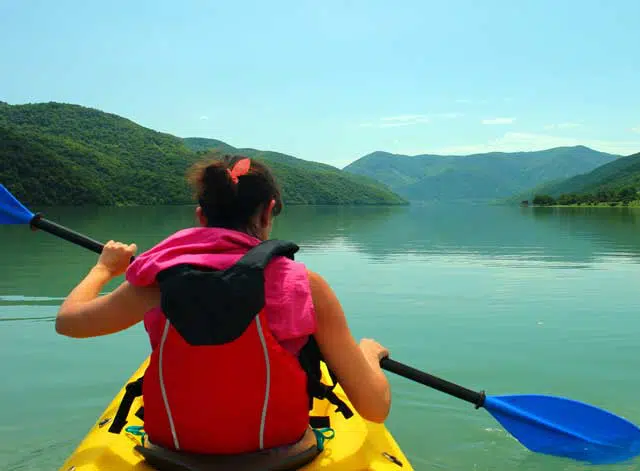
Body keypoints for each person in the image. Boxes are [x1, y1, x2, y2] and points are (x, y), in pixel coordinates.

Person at [55, 155, 391, 457]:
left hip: (172, 453)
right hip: (283, 455)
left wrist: (104, 269)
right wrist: (368, 355)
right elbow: (374, 407)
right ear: (267, 212)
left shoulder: (156, 282)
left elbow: (69, 322)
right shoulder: (306, 286)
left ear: (201, 216)